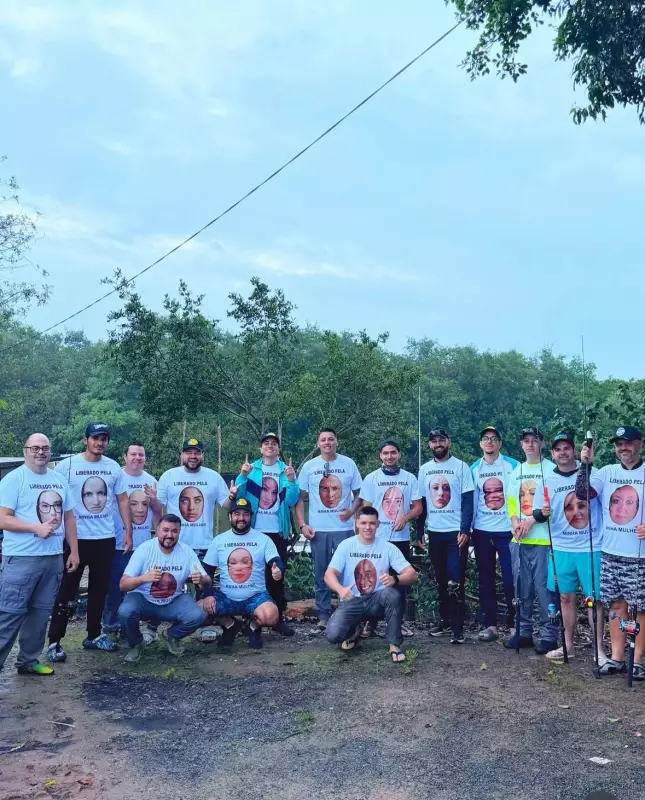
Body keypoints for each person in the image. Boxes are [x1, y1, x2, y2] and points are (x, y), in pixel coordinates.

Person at [47, 423, 131, 661]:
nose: (100, 442)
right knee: (67, 590)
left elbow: (123, 501)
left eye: (104, 438)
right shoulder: (67, 466)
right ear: (86, 440)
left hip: (104, 538)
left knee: (99, 590)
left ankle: (93, 635)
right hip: (75, 539)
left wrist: (128, 531)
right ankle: (54, 641)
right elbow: (55, 499)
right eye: (95, 438)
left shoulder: (113, 467)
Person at [0, 434, 80, 675]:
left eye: (45, 447)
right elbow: (3, 518)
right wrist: (35, 527)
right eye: (35, 448)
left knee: (40, 613)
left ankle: (28, 661)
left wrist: (74, 551)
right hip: (21, 559)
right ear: (25, 451)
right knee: (10, 614)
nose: (40, 452)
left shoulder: (58, 480)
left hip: (53, 558)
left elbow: (69, 518)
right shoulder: (14, 480)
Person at [577, 426, 645, 680]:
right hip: (610, 552)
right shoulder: (606, 472)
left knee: (640, 609)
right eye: (618, 444)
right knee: (615, 605)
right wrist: (585, 463)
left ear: (640, 444)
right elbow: (582, 493)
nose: (623, 448)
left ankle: (636, 660)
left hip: (639, 556)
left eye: (628, 443)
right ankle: (617, 658)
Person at [534, 433, 605, 663]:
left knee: (594, 599)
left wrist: (586, 464)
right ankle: (567, 647)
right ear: (552, 454)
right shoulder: (546, 479)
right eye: (558, 449)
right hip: (561, 548)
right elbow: (537, 514)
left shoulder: (592, 473)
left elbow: (590, 493)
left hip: (590, 547)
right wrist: (540, 514)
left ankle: (599, 651)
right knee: (565, 598)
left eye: (567, 448)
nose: (563, 452)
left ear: (575, 450)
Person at [324, 506, 418, 662]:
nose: (368, 527)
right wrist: (340, 589)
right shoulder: (346, 546)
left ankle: (394, 644)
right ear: (357, 524)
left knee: (392, 594)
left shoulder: (387, 548)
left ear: (378, 524)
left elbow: (412, 575)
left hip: (377, 600)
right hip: (352, 600)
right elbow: (329, 575)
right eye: (364, 523)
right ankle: (354, 631)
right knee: (333, 636)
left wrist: (395, 579)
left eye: (372, 523)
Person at [117, 514, 210, 663]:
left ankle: (171, 636)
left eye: (174, 531)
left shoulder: (186, 552)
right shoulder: (145, 549)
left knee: (197, 615)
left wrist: (201, 579)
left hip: (172, 601)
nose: (169, 535)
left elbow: (207, 580)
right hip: (144, 600)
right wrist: (143, 578)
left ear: (179, 532)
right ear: (158, 530)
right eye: (165, 530)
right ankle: (136, 643)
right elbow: (123, 584)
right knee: (125, 612)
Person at [295, 429, 362, 633]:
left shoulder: (348, 464)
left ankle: (346, 613)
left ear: (336, 442)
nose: (327, 442)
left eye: (330, 439)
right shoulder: (309, 466)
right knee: (322, 574)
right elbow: (299, 498)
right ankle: (323, 616)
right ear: (318, 444)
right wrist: (302, 524)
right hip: (319, 530)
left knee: (347, 573)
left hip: (343, 530)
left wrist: (351, 510)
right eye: (323, 440)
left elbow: (361, 493)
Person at [235, 432, 300, 637]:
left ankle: (277, 618)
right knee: (252, 574)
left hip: (277, 532)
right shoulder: (252, 469)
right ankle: (250, 619)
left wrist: (291, 480)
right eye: (266, 443)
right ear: (260, 449)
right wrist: (243, 476)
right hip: (254, 531)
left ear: (278, 449)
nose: (270, 446)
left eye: (274, 443)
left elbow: (291, 500)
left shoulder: (284, 471)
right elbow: (239, 495)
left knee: (276, 575)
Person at [198, 499, 284, 650]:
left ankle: (253, 627)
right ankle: (230, 624)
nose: (241, 518)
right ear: (230, 517)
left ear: (251, 517)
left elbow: (276, 561)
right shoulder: (219, 541)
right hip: (226, 596)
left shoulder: (263, 539)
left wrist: (278, 570)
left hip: (255, 596)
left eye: (245, 514)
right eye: (237, 514)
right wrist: (208, 594)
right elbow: (207, 572)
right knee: (197, 612)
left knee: (270, 616)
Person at [359, 439, 423, 636]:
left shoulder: (409, 478)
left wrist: (406, 517)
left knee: (400, 582)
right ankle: (370, 623)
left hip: (400, 539)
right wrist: (363, 533)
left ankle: (397, 622)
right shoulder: (371, 478)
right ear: (380, 455)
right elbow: (365, 508)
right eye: (385, 453)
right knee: (372, 580)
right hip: (376, 539)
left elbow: (418, 507)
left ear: (399, 454)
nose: (389, 456)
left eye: (393, 452)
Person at [417, 428, 474, 644]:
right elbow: (422, 501)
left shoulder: (461, 466)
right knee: (440, 580)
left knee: (455, 580)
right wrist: (419, 531)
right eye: (434, 441)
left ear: (448, 441)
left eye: (442, 440)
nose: (438, 444)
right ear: (429, 444)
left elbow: (468, 501)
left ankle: (458, 628)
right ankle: (445, 621)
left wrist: (465, 529)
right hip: (435, 532)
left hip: (455, 534)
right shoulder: (424, 469)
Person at [504, 427, 558, 654]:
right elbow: (511, 501)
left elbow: (551, 506)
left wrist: (529, 522)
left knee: (545, 590)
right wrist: (515, 522)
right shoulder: (517, 471)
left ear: (541, 443)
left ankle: (549, 635)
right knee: (521, 589)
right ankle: (523, 631)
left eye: (534, 440)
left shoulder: (552, 470)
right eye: (526, 441)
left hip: (545, 540)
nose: (530, 445)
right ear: (521, 445)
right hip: (520, 540)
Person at [102, 441, 161, 643]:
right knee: (116, 588)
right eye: (133, 454)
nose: (137, 458)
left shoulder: (151, 480)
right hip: (119, 544)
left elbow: (158, 516)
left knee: (141, 590)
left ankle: (133, 628)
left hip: (144, 546)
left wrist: (154, 502)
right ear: (124, 457)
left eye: (141, 455)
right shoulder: (115, 477)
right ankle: (110, 627)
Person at [157, 438, 234, 579]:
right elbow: (157, 507)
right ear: (181, 455)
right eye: (188, 452)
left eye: (197, 453)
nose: (193, 456)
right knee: (172, 586)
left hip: (204, 546)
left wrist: (232, 496)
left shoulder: (214, 477)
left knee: (203, 590)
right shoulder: (168, 476)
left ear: (202, 455)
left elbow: (226, 506)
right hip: (174, 544)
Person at [470, 426, 519, 642]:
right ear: (480, 443)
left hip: (508, 531)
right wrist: (468, 529)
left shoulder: (513, 466)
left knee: (511, 579)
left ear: (500, 443)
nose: (489, 442)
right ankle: (489, 624)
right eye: (485, 439)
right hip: (481, 530)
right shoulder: (473, 469)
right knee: (485, 579)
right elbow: (470, 501)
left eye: (494, 438)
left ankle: (514, 623)